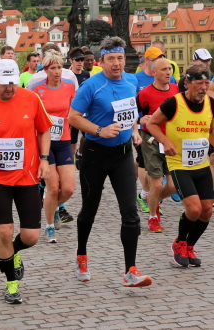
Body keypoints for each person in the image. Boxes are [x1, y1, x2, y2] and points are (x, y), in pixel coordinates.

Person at [68, 35, 152, 287]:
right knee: (89, 210)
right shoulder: (91, 86)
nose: (116, 63)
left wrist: (135, 130)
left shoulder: (131, 81)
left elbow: (129, 111)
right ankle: (82, 255)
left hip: (123, 155)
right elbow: (73, 117)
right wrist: (99, 130)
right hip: (95, 154)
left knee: (130, 212)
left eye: (120, 58)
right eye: (111, 59)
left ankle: (130, 270)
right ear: (101, 62)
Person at [0, 59, 51, 305]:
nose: (9, 88)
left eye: (12, 82)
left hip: (27, 175)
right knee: (4, 231)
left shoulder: (31, 98)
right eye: (4, 83)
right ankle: (12, 284)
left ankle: (13, 251)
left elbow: (44, 129)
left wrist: (44, 159)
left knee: (31, 236)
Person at [146, 63, 214, 267]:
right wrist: (165, 141)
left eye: (206, 83)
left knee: (207, 210)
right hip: (179, 164)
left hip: (201, 164)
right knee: (193, 209)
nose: (203, 88)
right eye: (199, 83)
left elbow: (211, 129)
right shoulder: (174, 103)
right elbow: (151, 124)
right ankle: (179, 243)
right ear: (187, 83)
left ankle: (189, 246)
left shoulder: (210, 103)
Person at [29, 50, 76, 242]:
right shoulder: (37, 88)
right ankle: (49, 226)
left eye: (59, 67)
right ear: (46, 70)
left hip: (63, 140)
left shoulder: (69, 86)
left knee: (69, 188)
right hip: (44, 142)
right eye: (53, 68)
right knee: (53, 187)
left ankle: (52, 206)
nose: (57, 71)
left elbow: (74, 112)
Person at [137, 57, 178, 232]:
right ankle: (153, 217)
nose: (168, 72)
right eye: (164, 69)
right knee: (157, 184)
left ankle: (152, 199)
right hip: (151, 140)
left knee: (174, 185)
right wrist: (140, 119)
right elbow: (134, 113)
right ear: (154, 72)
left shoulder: (176, 89)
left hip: (170, 140)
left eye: (169, 69)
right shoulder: (145, 93)